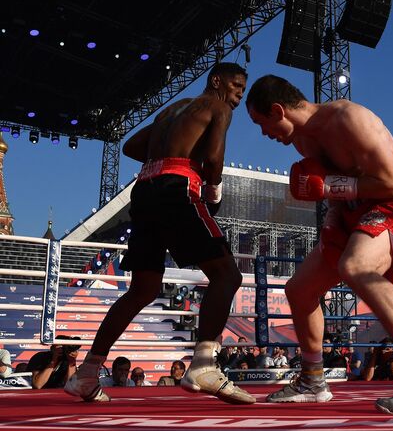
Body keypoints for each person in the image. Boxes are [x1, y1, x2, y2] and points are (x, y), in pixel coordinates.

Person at [245, 74, 393, 414]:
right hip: (351, 213)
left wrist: (331, 187)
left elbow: (389, 184)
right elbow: (333, 194)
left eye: (261, 123)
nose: (263, 133)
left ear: (278, 110)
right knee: (299, 290)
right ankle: (313, 380)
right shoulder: (304, 141)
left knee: (356, 267)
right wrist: (331, 221)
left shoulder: (348, 119)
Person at [65, 62, 254, 405]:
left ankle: (87, 373)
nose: (239, 93)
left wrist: (167, 152)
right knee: (228, 275)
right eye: (236, 85)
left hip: (145, 189)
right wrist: (213, 187)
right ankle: (204, 365)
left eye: (243, 87)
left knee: (143, 288)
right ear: (217, 81)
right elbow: (213, 158)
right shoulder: (217, 106)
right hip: (177, 188)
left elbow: (132, 146)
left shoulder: (174, 109)